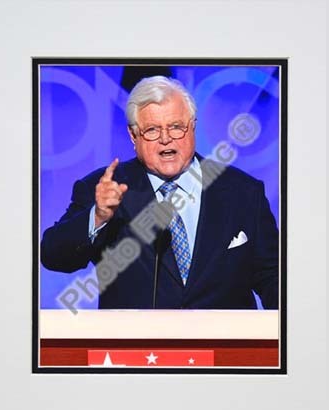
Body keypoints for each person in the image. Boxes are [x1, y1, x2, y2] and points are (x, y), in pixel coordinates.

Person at [41, 75, 279, 310]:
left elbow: (273, 278)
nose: (166, 139)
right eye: (152, 130)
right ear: (133, 136)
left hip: (226, 345)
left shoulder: (243, 192)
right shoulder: (105, 188)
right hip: (137, 346)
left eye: (176, 127)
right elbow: (53, 256)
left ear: (193, 126)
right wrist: (98, 216)